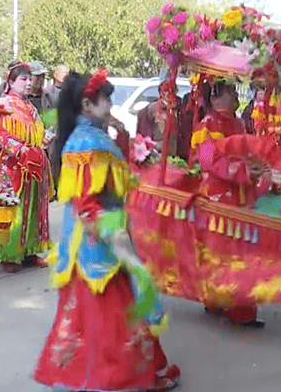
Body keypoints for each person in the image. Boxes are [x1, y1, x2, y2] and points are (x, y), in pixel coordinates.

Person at [33, 69, 180, 391]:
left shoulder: (98, 134)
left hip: (110, 229)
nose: (112, 104)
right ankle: (117, 377)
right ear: (87, 104)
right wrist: (115, 236)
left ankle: (147, 369)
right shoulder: (87, 141)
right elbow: (88, 202)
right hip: (99, 240)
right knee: (114, 312)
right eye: (108, 98)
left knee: (129, 302)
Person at [189, 80, 265, 327]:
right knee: (220, 251)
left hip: (242, 194)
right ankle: (217, 299)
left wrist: (255, 165)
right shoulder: (207, 126)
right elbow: (209, 162)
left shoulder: (240, 123)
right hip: (219, 196)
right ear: (215, 97)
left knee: (242, 252)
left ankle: (241, 309)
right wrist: (242, 171)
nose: (235, 95)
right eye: (231, 91)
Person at [0, 63, 53, 273]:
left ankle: (29, 251)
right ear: (10, 82)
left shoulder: (30, 107)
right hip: (14, 165)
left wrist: (44, 140)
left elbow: (37, 133)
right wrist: (21, 149)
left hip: (35, 165)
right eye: (23, 79)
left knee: (34, 209)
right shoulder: (5, 104)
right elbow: (0, 135)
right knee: (15, 208)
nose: (29, 83)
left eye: (31, 79)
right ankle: (9, 254)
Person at [137, 81, 180, 157]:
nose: (171, 96)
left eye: (173, 93)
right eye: (167, 93)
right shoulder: (152, 108)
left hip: (174, 152)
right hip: (158, 152)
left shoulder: (178, 108)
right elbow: (144, 128)